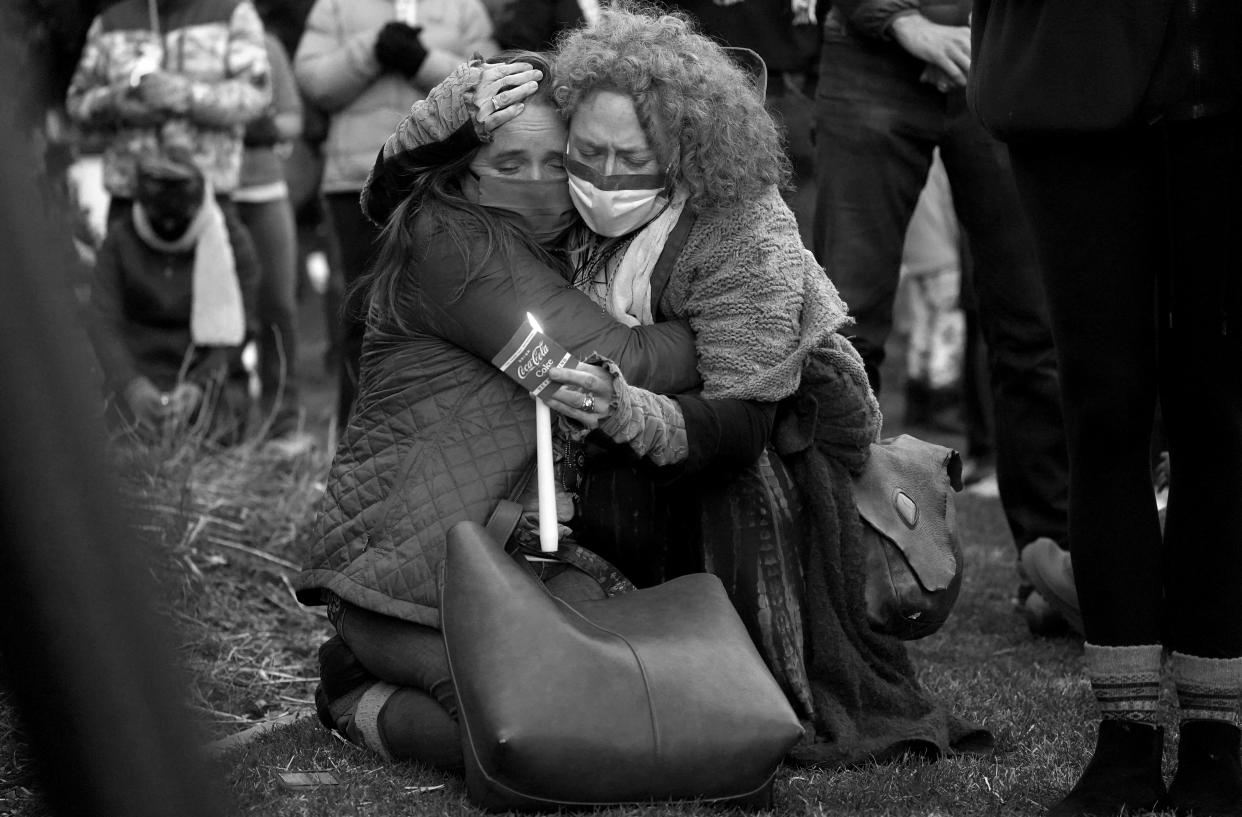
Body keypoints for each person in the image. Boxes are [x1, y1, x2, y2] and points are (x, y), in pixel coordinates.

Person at [305, 5, 987, 772]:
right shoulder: (457, 240)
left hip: (504, 557)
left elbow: (729, 409)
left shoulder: (571, 234)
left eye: (556, 161)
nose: (567, 182)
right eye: (568, 159)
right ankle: (357, 697)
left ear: (682, 154)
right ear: (461, 169)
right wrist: (748, 320)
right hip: (411, 575)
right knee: (549, 739)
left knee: (627, 694)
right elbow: (612, 354)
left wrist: (759, 304)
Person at [971, 2, 1242, 815]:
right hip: (1068, 60)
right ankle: (1124, 735)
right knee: (1103, 405)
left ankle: (1217, 736)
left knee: (1219, 412)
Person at [809, 0, 1073, 636]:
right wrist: (903, 22)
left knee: (1036, 326)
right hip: (872, 50)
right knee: (842, 330)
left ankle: (1056, 569)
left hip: (1004, 46)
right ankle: (835, 568)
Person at [292, 0, 498, 426]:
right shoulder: (335, 5)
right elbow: (313, 81)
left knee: (443, 317)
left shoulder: (464, 6)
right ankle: (351, 442)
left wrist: (424, 62)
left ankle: (428, 437)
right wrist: (371, 49)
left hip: (444, 180)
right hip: (355, 182)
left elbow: (491, 80)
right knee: (362, 318)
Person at [86, 152, 258, 443]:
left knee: (216, 425)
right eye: (159, 218)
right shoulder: (120, 238)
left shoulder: (229, 242)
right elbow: (103, 322)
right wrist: (132, 385)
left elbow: (238, 331)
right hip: (137, 370)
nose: (167, 226)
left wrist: (198, 386)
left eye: (177, 218)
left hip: (206, 374)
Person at [64, 0, 271, 231]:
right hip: (130, 200)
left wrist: (188, 95)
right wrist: (117, 102)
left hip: (208, 198)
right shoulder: (111, 21)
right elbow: (77, 101)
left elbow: (257, 94)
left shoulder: (231, 11)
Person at [234, 32, 305, 440]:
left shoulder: (265, 43)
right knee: (222, 315)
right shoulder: (191, 35)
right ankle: (226, 420)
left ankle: (283, 421)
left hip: (264, 191)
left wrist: (253, 125)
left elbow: (293, 120)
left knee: (278, 306)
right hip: (208, 194)